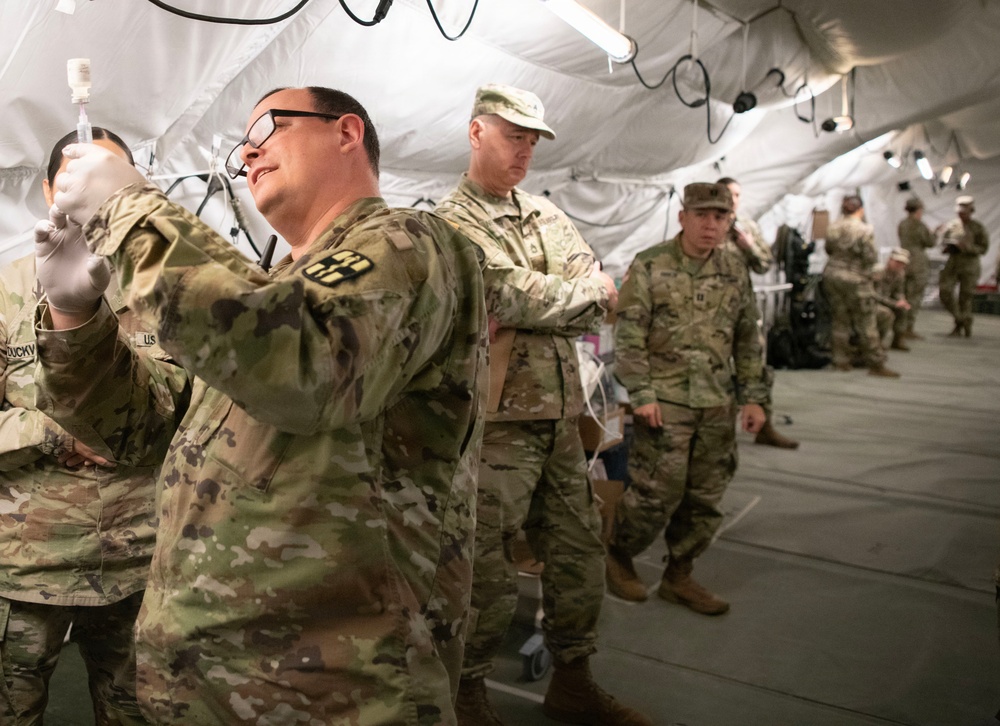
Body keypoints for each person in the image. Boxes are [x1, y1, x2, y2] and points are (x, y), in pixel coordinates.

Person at [34, 86, 487, 725]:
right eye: (242, 143)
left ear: (346, 132)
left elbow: (309, 362)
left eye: (268, 126)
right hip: (210, 683)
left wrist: (132, 211)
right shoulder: (267, 289)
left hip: (331, 695)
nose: (249, 150)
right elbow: (141, 427)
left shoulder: (412, 243)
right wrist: (76, 317)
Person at [436, 84, 651, 726]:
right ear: (476, 133)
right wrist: (570, 297)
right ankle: (468, 693)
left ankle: (574, 680)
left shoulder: (543, 212)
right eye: (513, 136)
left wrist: (559, 298)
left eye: (533, 140)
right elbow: (505, 295)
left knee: (579, 552)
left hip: (561, 416)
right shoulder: (451, 222)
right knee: (485, 567)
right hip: (495, 425)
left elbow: (600, 284)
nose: (525, 151)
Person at [0, 128, 164, 724]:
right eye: (73, 176)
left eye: (106, 175)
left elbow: (196, 412)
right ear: (47, 188)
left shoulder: (163, 293)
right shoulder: (6, 292)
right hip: (25, 568)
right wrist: (47, 432)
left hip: (138, 565)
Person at [604, 182, 768, 616]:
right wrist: (640, 393)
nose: (711, 225)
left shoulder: (735, 269)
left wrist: (754, 399)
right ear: (683, 217)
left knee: (705, 498)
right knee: (655, 494)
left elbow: (748, 338)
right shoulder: (651, 265)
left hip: (717, 401)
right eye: (702, 216)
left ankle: (679, 574)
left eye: (720, 217)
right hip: (666, 401)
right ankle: (618, 555)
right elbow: (630, 334)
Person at [718, 176, 799, 450]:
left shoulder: (747, 227)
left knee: (757, 368)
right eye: (728, 194)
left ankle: (764, 426)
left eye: (738, 194)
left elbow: (764, 264)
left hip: (742, 310)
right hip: (709, 311)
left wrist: (748, 246)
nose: (734, 199)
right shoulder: (707, 226)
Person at [821, 195, 900, 377]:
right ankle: (875, 363)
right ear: (860, 209)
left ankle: (840, 360)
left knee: (840, 319)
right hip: (854, 278)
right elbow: (869, 257)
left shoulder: (833, 227)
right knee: (867, 320)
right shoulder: (864, 230)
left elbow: (828, 249)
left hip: (832, 275)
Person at [939, 195, 990, 337]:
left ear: (971, 211)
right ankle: (960, 318)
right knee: (945, 291)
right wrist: (948, 247)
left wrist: (967, 247)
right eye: (959, 213)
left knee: (965, 297)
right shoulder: (952, 225)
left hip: (970, 265)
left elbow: (984, 248)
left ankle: (963, 327)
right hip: (953, 263)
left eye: (964, 213)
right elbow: (943, 242)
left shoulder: (978, 227)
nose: (961, 215)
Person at [896, 196, 935, 340]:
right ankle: (908, 327)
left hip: (904, 260)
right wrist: (935, 233)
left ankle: (899, 327)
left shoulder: (902, 224)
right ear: (919, 210)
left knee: (903, 294)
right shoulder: (920, 225)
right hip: (918, 263)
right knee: (915, 297)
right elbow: (930, 242)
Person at [873, 248, 912, 351]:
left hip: (886, 301)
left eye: (902, 263)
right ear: (889, 260)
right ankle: (876, 343)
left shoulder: (900, 274)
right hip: (873, 301)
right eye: (897, 262)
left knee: (903, 309)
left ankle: (898, 340)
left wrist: (902, 301)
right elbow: (875, 295)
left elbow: (899, 291)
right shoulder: (878, 272)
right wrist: (894, 304)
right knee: (886, 313)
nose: (899, 265)